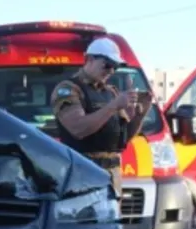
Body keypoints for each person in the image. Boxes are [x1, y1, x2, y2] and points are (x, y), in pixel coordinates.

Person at [50, 37, 153, 197]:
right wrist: (113, 106)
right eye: (107, 65)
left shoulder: (111, 92)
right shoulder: (69, 89)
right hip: (83, 172)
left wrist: (140, 114)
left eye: (115, 67)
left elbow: (122, 137)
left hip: (112, 174)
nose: (111, 71)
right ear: (90, 59)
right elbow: (78, 129)